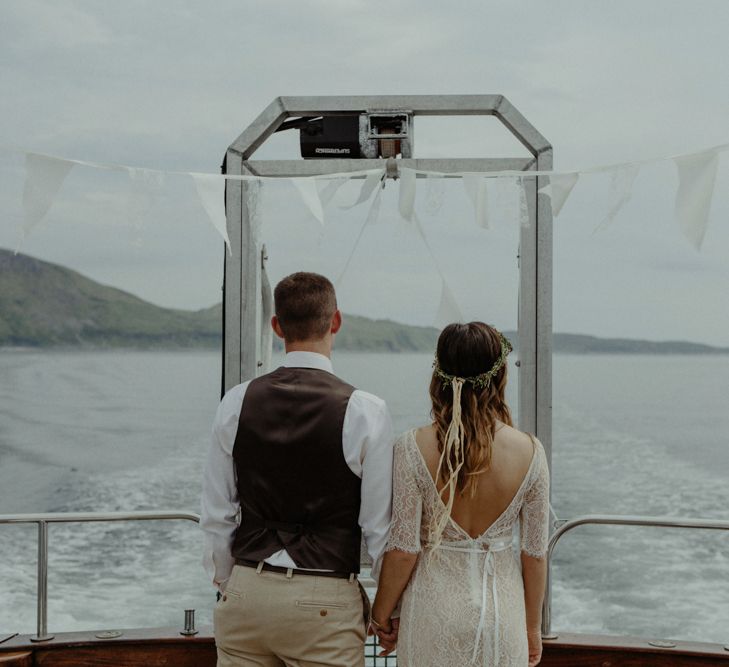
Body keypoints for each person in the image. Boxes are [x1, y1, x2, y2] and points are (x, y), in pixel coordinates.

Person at [201, 271, 394, 667]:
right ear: (335, 321)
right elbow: (378, 530)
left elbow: (217, 513)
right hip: (323, 599)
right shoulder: (365, 410)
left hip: (246, 593)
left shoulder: (236, 401)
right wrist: (388, 609)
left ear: (276, 326)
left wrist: (229, 583)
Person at [371, 322, 550, 667]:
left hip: (432, 613)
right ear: (500, 379)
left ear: (438, 375)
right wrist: (531, 628)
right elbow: (535, 554)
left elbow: (404, 549)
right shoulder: (531, 452)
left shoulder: (411, 447)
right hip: (503, 615)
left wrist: (382, 616)